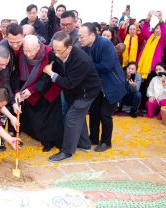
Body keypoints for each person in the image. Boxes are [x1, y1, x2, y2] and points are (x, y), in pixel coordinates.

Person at [43, 31, 101, 161]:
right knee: (78, 117)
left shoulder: (81, 60)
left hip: (87, 92)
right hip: (75, 91)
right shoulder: (59, 52)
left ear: (69, 47)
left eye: (60, 51)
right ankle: (85, 145)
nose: (56, 54)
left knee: (72, 117)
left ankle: (67, 152)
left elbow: (69, 83)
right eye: (54, 50)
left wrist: (51, 73)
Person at [78, 22, 126, 152]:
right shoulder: (85, 47)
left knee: (105, 114)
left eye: (81, 37)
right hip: (97, 85)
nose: (79, 39)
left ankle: (106, 141)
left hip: (112, 84)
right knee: (94, 112)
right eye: (78, 37)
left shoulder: (106, 44)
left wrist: (87, 66)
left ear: (92, 35)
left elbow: (106, 66)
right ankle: (93, 138)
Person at [14, 35, 63, 152]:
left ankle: (48, 141)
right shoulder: (20, 54)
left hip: (46, 89)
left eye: (30, 51)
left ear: (38, 47)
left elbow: (47, 76)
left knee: (47, 118)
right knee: (33, 116)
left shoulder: (50, 54)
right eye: (25, 50)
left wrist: (32, 89)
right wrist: (17, 90)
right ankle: (35, 134)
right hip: (27, 88)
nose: (27, 54)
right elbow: (16, 73)